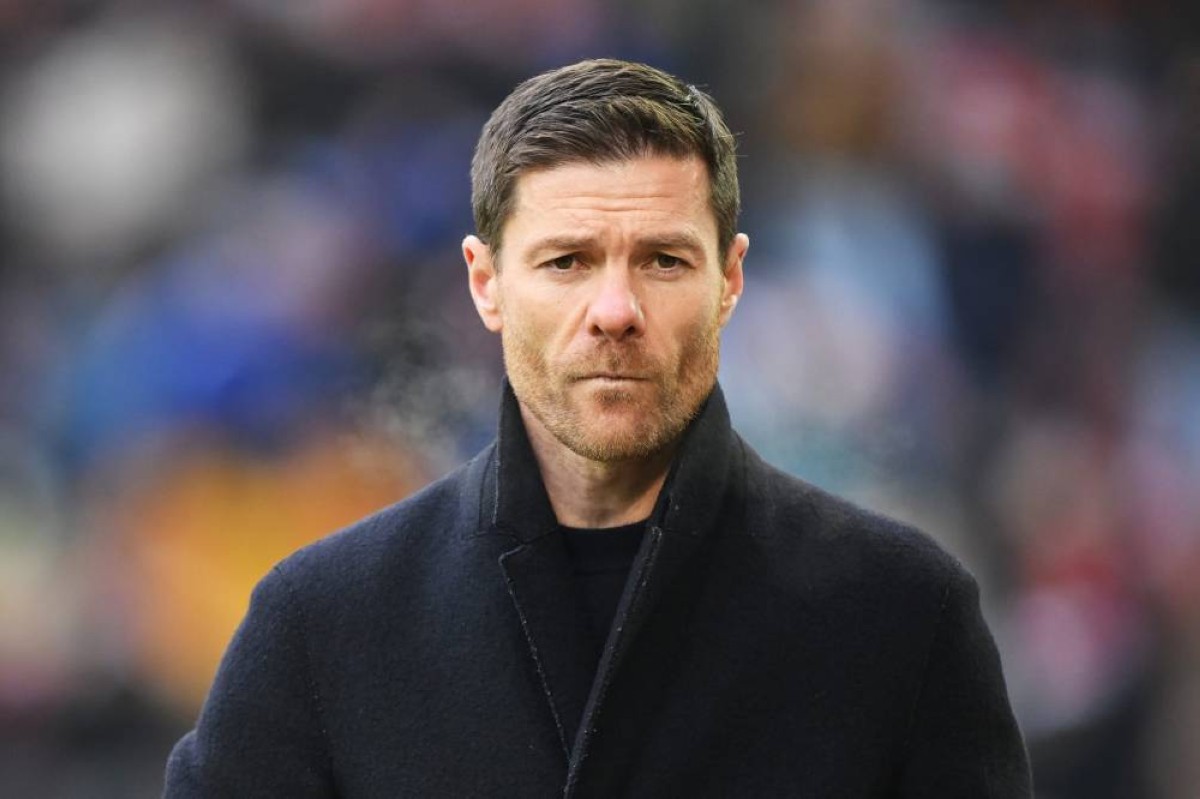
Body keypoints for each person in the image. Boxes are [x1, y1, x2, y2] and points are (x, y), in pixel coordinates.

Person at [165, 58, 1032, 797]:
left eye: (663, 260)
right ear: (485, 283)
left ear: (730, 280)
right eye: (567, 261)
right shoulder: (321, 625)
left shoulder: (902, 616)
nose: (615, 309)